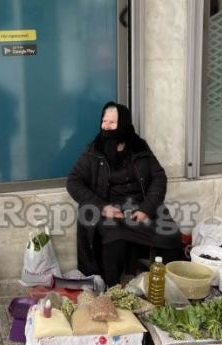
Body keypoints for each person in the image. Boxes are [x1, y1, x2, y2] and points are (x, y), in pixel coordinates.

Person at [66, 102, 183, 287]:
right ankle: (112, 289)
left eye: (112, 123)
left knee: (171, 235)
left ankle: (163, 284)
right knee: (115, 239)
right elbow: (73, 182)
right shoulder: (94, 150)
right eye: (104, 121)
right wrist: (102, 207)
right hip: (108, 209)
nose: (106, 126)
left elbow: (159, 177)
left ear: (123, 124)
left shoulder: (138, 146)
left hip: (140, 205)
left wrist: (147, 208)